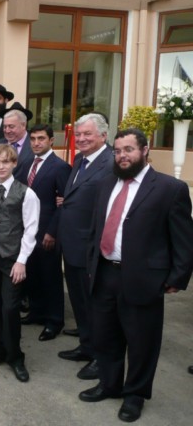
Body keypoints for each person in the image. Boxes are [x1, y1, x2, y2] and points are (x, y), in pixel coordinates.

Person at [78, 128, 193, 423]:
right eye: (117, 151)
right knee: (105, 335)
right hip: (105, 272)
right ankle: (109, 384)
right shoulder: (106, 183)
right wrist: (91, 261)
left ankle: (135, 395)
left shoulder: (170, 188)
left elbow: (183, 239)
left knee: (142, 342)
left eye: (128, 149)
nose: (122, 156)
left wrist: (177, 277)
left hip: (144, 278)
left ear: (144, 150)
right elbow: (96, 227)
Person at [0, 144, 40, 382]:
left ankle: (15, 356)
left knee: (10, 308)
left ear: (14, 164)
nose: (0, 167)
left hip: (12, 259)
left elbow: (31, 229)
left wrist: (21, 261)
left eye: (5, 162)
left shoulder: (26, 193)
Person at [57, 113, 113, 381]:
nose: (81, 139)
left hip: (92, 248)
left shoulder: (111, 163)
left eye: (87, 134)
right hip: (72, 244)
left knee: (96, 306)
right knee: (79, 300)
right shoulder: (80, 159)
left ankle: (100, 358)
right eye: (78, 134)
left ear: (103, 135)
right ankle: (86, 345)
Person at [18, 125, 71, 342]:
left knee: (50, 276)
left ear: (51, 141)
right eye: (33, 139)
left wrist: (53, 231)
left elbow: (64, 204)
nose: (36, 143)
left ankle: (54, 321)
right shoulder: (26, 164)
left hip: (47, 231)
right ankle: (37, 312)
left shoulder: (60, 167)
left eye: (41, 138)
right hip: (27, 230)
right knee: (32, 273)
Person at [0, 106, 34, 182]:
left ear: (23, 125)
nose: (7, 131)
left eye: (11, 127)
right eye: (5, 127)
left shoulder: (35, 145)